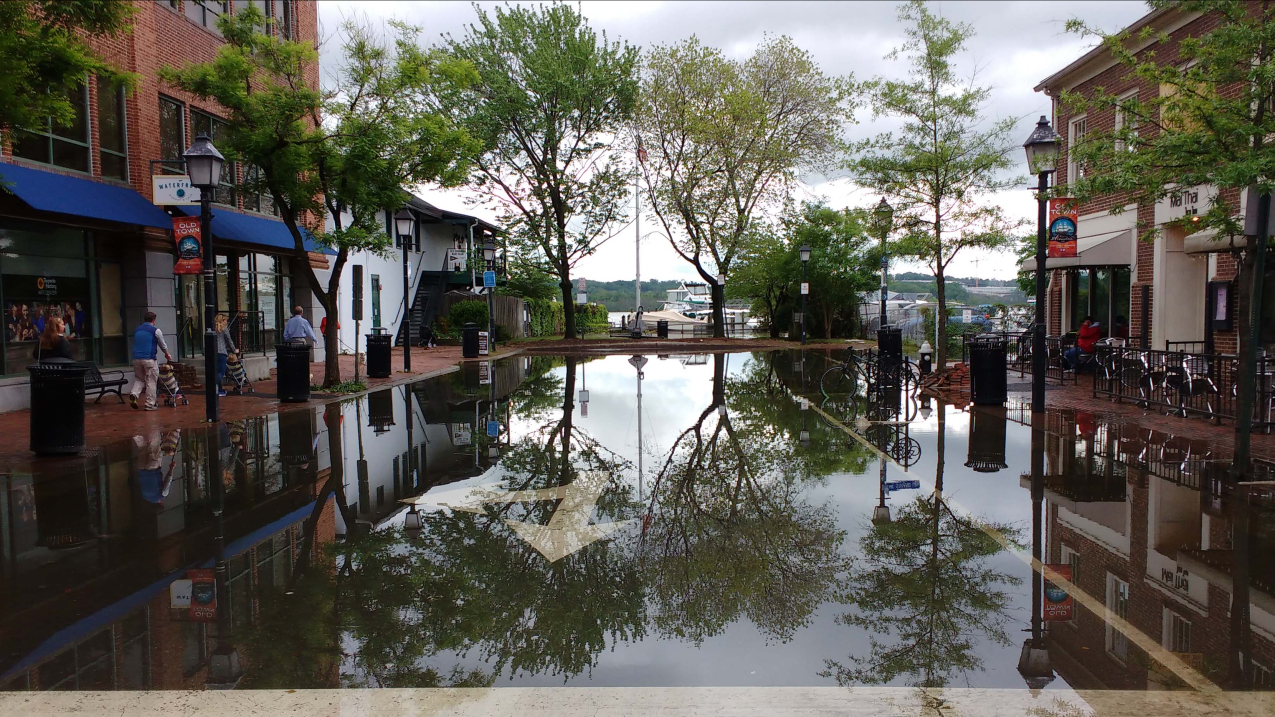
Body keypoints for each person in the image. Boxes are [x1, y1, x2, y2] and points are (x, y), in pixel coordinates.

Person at [129, 311, 172, 411]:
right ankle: (150, 404)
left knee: (139, 379)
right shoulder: (155, 330)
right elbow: (162, 344)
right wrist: (167, 354)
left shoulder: (137, 330)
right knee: (151, 381)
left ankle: (134, 394)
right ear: (153, 320)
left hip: (136, 358)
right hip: (149, 359)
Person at [213, 313, 237, 398]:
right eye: (225, 320)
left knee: (216, 371)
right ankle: (216, 388)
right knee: (221, 372)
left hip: (213, 352)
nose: (226, 321)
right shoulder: (224, 329)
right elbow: (229, 340)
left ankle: (219, 389)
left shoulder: (213, 328)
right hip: (222, 352)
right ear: (222, 320)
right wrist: (234, 350)